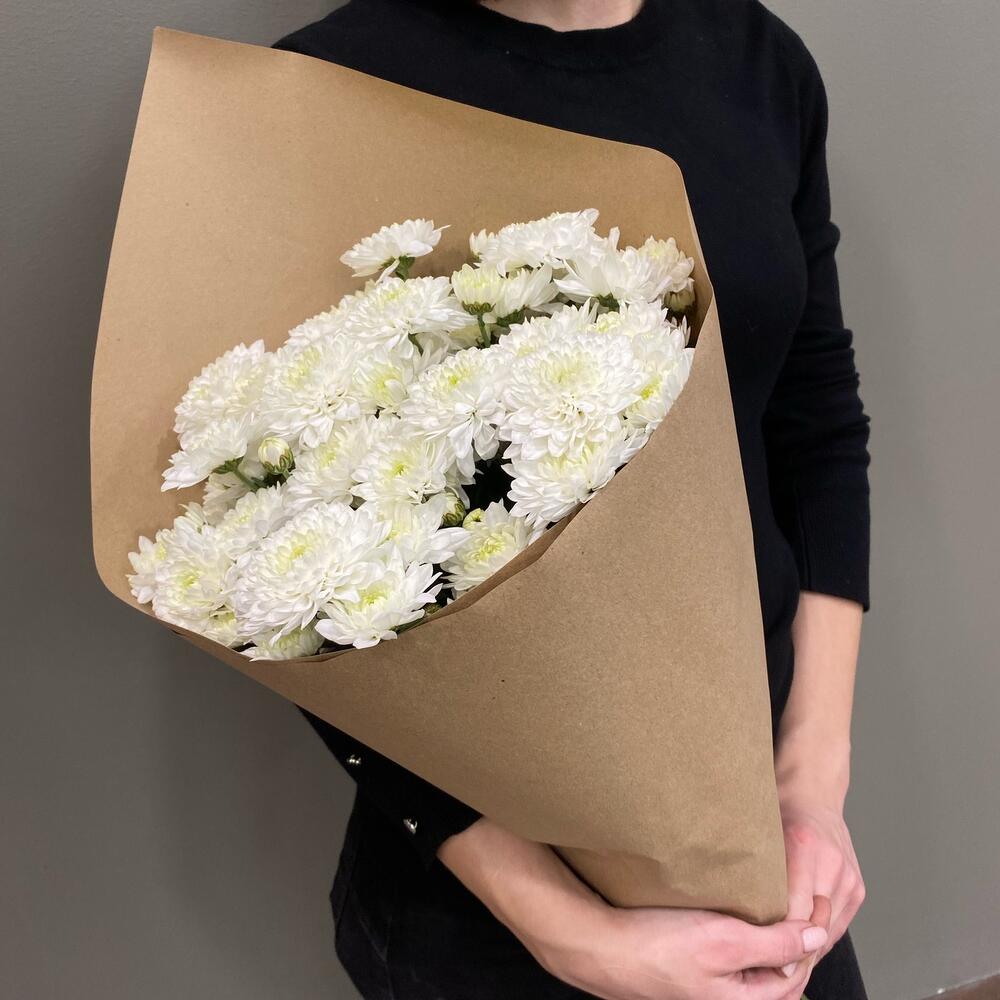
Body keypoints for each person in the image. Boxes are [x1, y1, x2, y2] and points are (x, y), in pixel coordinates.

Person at [274, 2, 871, 997]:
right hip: (483, 884)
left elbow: (815, 427)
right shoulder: (324, 89)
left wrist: (812, 783)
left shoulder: (758, 63)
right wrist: (569, 932)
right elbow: (294, 566)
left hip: (750, 837)